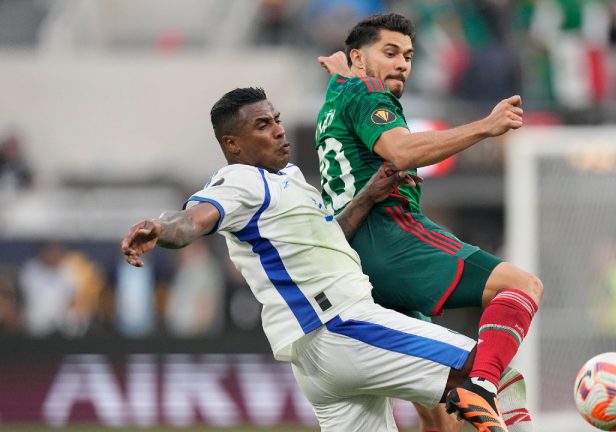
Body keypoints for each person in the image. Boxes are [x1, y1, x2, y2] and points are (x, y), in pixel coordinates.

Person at [121, 87, 503, 432]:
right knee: (485, 370)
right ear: (233, 144)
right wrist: (160, 227)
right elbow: (191, 220)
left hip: (319, 359)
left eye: (277, 120)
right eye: (262, 125)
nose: (278, 130)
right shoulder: (239, 180)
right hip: (342, 324)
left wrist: (368, 196)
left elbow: (329, 238)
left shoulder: (287, 178)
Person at [315, 13, 542, 431]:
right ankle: (485, 384)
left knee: (439, 420)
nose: (402, 63)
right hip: (392, 238)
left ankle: (481, 390)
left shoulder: (336, 98)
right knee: (522, 286)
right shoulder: (367, 91)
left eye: (408, 55)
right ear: (360, 60)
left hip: (353, 266)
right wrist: (486, 127)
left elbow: (352, 83)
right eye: (390, 52)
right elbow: (400, 151)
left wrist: (342, 71)